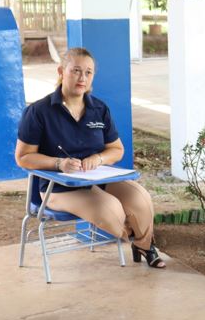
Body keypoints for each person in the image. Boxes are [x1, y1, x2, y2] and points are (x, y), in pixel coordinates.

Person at [15, 47, 165, 268]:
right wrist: (59, 163)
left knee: (140, 200)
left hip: (98, 178)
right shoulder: (39, 111)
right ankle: (136, 238)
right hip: (57, 188)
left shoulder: (99, 109)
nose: (82, 78)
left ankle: (143, 245)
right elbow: (23, 157)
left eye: (88, 72)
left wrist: (99, 159)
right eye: (76, 70)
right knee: (111, 210)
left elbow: (116, 149)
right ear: (61, 71)